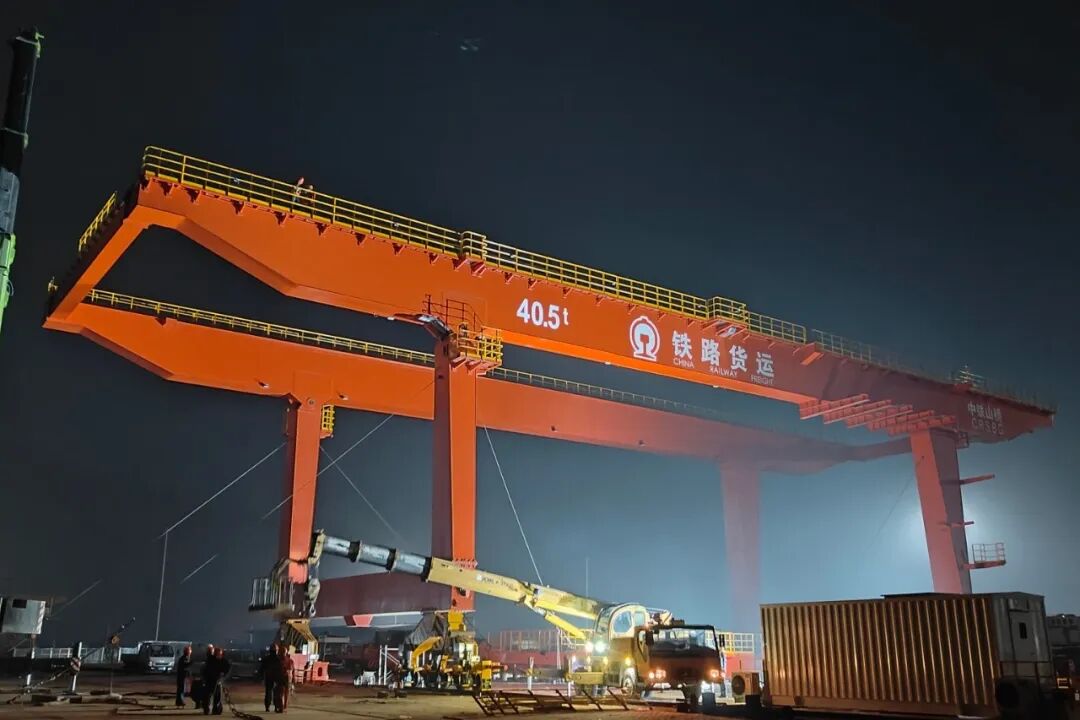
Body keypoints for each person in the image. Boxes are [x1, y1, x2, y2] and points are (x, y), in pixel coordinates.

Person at [202, 647, 231, 715]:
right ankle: (207, 709)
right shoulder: (211, 660)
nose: (219, 655)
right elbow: (206, 670)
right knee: (208, 695)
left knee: (216, 696)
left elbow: (227, 668)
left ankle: (216, 709)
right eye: (217, 654)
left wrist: (223, 674)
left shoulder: (223, 661)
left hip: (216, 680)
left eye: (219, 654)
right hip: (210, 680)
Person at [259, 642, 282, 712]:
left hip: (268, 677)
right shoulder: (278, 659)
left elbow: (262, 668)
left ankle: (267, 707)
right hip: (276, 678)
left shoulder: (266, 659)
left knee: (268, 692)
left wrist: (261, 677)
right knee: (276, 693)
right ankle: (276, 707)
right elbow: (281, 669)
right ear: (276, 650)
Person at [276, 645, 295, 713]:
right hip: (289, 678)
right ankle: (285, 707)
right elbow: (293, 671)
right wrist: (293, 680)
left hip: (281, 678)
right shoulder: (290, 661)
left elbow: (276, 670)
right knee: (287, 693)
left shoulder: (278, 661)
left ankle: (281, 707)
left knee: (281, 693)